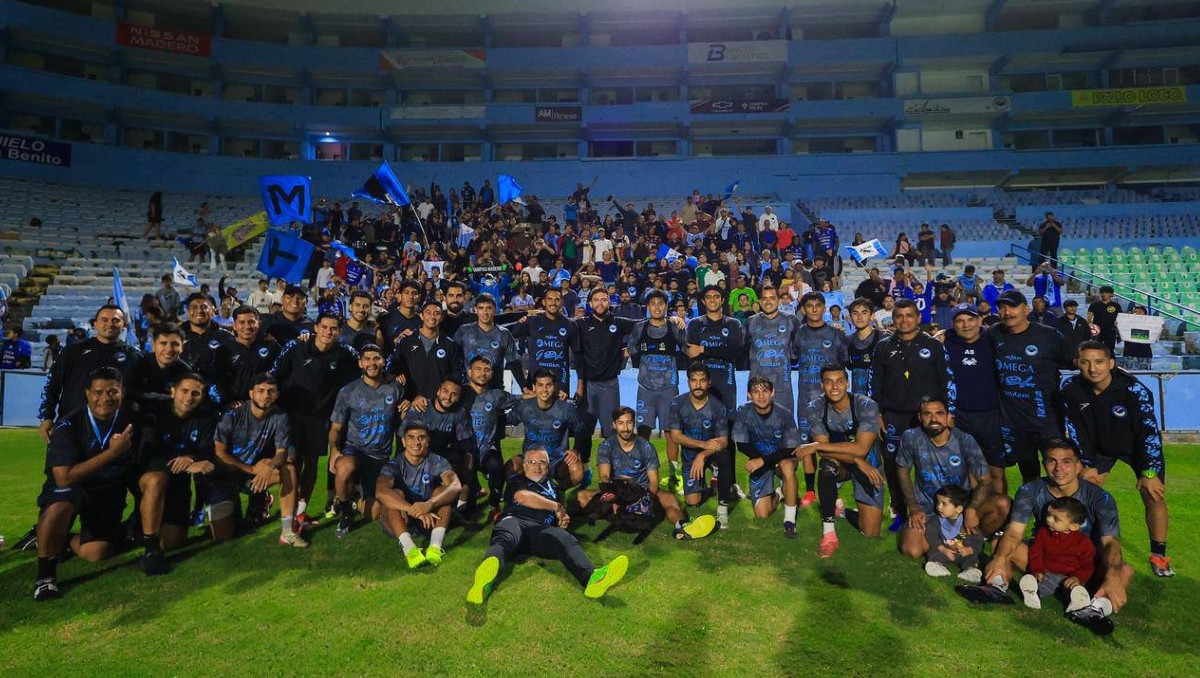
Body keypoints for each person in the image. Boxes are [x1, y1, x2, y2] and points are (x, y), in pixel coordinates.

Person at [962, 440, 1131, 636]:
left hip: (1083, 564)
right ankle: (996, 588)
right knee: (1000, 544)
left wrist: (1112, 575)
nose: (1059, 468)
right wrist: (999, 558)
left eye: (1066, 462)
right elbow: (1015, 532)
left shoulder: (1100, 498)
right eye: (1052, 461)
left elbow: (1111, 542)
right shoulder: (1030, 490)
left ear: (1078, 466)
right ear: (1044, 464)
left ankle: (1095, 609)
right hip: (1043, 558)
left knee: (1123, 570)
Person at [1062, 340, 1173, 577]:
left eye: (1099, 362)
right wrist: (1088, 464)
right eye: (1086, 362)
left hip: (1136, 449)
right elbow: (1075, 428)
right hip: (1099, 449)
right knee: (1084, 493)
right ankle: (1084, 550)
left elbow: (1148, 433)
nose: (1093, 368)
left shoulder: (1134, 390)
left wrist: (1150, 472)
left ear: (1111, 363)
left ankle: (1159, 555)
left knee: (1153, 494)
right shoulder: (1071, 388)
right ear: (1077, 363)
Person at [466, 447, 629, 604]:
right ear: (524, 466)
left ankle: (592, 579)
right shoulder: (517, 481)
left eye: (542, 462)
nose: (537, 467)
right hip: (514, 519)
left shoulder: (555, 490)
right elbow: (522, 497)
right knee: (505, 539)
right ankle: (483, 582)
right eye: (532, 462)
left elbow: (558, 519)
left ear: (548, 465)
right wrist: (556, 507)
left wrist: (562, 521)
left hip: (540, 531)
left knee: (564, 538)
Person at [32, 367, 139, 600]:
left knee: (97, 553)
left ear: (123, 392)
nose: (105, 398)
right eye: (98, 392)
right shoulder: (68, 425)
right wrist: (113, 453)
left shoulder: (131, 420)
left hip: (106, 491)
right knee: (60, 504)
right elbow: (64, 477)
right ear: (87, 394)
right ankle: (45, 576)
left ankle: (63, 540)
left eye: (112, 392)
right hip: (71, 488)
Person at [871, 298, 956, 531]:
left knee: (931, 464)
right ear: (893, 319)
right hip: (894, 416)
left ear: (918, 318)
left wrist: (949, 413)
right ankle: (899, 509)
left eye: (909, 315)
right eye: (899, 316)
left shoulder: (934, 346)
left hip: (928, 417)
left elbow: (947, 381)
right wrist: (877, 414)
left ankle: (936, 511)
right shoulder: (883, 346)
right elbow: (874, 383)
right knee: (894, 464)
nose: (904, 320)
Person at [271, 313, 361, 528]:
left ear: (338, 331)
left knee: (311, 464)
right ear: (316, 328)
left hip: (320, 418)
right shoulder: (295, 347)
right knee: (292, 462)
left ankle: (301, 511)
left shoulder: (344, 353)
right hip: (292, 415)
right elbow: (275, 374)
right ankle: (289, 514)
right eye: (324, 327)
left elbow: (363, 368)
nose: (328, 332)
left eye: (333, 328)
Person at [894, 396, 1009, 561]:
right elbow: (903, 472)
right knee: (912, 550)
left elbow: (985, 480)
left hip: (960, 509)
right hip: (928, 509)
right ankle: (947, 543)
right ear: (920, 418)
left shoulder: (964, 440)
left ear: (948, 417)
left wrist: (971, 509)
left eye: (939, 413)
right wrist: (913, 507)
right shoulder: (911, 437)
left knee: (1002, 504)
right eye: (927, 414)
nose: (934, 419)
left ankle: (973, 540)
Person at [577, 407, 715, 541]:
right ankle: (622, 513)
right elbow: (604, 476)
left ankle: (683, 527)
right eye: (620, 423)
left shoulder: (645, 446)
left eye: (629, 423)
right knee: (582, 496)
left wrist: (644, 499)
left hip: (643, 489)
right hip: (619, 491)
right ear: (614, 425)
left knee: (670, 499)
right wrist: (615, 498)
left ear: (634, 423)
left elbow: (654, 481)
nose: (625, 428)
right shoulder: (606, 446)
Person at [793, 364, 885, 558]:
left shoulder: (866, 404)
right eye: (829, 382)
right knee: (826, 469)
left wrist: (817, 446)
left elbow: (861, 448)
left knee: (871, 531)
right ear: (822, 385)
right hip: (840, 463)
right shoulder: (815, 407)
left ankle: (842, 512)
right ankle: (829, 534)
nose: (834, 387)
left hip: (869, 463)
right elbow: (825, 453)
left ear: (847, 383)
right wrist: (855, 459)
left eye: (840, 381)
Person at [134, 372, 217, 573]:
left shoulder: (206, 418)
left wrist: (192, 459)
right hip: (151, 474)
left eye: (195, 393)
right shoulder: (155, 414)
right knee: (156, 480)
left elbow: (207, 453)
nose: (189, 397)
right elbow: (147, 453)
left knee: (173, 541)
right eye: (184, 391)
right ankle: (151, 552)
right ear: (173, 392)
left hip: (179, 483)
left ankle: (134, 528)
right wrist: (187, 464)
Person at [989, 289, 1073, 484]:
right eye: (1002, 308)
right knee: (1029, 476)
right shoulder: (994, 334)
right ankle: (1036, 513)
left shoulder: (1049, 335)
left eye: (1012, 307)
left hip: (1046, 420)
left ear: (1026, 309)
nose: (1006, 312)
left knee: (1059, 473)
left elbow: (1073, 361)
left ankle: (1063, 513)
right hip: (1015, 423)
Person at [211, 374, 304, 546]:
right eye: (260, 391)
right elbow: (220, 453)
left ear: (277, 395)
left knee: (288, 468)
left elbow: (282, 453)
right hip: (224, 477)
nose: (266, 395)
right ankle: (243, 505)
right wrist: (252, 469)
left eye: (271, 391)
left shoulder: (280, 416)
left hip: (254, 476)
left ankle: (287, 531)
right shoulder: (232, 414)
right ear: (251, 393)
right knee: (223, 537)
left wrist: (269, 466)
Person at [38, 305, 144, 444]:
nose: (110, 324)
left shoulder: (134, 356)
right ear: (95, 324)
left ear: (123, 325)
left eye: (115, 320)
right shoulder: (72, 351)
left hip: (116, 432)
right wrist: (46, 417)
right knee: (64, 466)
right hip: (72, 427)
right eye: (104, 320)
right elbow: (52, 384)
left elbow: (142, 394)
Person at [328, 345, 401, 538]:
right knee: (344, 467)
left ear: (383, 361)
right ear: (360, 363)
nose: (372, 363)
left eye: (376, 358)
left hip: (380, 456)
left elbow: (403, 414)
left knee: (373, 514)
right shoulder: (348, 391)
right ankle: (345, 512)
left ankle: (353, 492)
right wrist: (335, 450)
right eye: (367, 359)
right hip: (355, 449)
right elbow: (336, 428)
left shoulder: (394, 389)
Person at [374, 423, 461, 569]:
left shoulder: (436, 461)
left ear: (428, 441)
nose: (416, 443)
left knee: (442, 492)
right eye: (411, 438)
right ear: (403, 441)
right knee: (394, 495)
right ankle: (410, 550)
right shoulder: (394, 464)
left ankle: (435, 547)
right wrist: (412, 509)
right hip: (402, 519)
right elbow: (380, 491)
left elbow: (455, 485)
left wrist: (429, 504)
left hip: (428, 518)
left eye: (421, 438)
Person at [941, 304, 1007, 495]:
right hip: (961, 416)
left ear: (979, 320)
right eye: (960, 321)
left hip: (992, 416)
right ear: (953, 324)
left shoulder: (993, 341)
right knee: (968, 470)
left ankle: (998, 516)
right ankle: (973, 516)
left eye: (971, 319)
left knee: (996, 470)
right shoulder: (946, 343)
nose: (966, 325)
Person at [793, 291, 849, 507]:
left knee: (831, 443)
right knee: (807, 443)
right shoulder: (798, 334)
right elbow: (794, 355)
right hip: (806, 397)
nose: (814, 309)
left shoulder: (836, 335)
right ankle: (809, 491)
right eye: (810, 305)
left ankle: (832, 486)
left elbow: (843, 362)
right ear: (804, 309)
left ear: (824, 308)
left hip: (831, 400)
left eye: (818, 305)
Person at [625, 290, 686, 487]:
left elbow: (688, 348)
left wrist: (682, 321)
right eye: (653, 303)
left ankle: (673, 473)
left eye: (661, 303)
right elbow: (628, 350)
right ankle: (643, 471)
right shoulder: (639, 328)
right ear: (648, 307)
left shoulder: (674, 326)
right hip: (646, 389)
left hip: (669, 389)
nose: (657, 307)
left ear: (666, 307)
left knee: (671, 433)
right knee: (643, 432)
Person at [731, 376, 802, 537]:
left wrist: (764, 460)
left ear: (772, 393)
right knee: (762, 514)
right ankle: (779, 493)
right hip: (760, 461)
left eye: (765, 391)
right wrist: (762, 461)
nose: (761, 396)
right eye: (756, 392)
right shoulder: (743, 412)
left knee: (787, 466)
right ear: (749, 394)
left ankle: (789, 522)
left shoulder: (784, 414)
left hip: (781, 459)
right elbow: (741, 444)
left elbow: (791, 447)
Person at [667, 363, 734, 529]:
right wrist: (701, 445)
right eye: (694, 380)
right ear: (688, 382)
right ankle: (708, 485)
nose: (698, 385)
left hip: (712, 454)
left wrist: (703, 454)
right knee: (692, 502)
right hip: (690, 455)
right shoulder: (677, 403)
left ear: (708, 383)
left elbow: (723, 440)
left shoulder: (718, 406)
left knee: (725, 455)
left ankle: (723, 508)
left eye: (702, 380)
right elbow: (675, 436)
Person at [461, 356, 524, 522]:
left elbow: (521, 400)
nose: (482, 373)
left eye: (487, 370)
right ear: (469, 372)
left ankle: (494, 505)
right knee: (464, 474)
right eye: (478, 369)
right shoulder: (461, 394)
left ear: (492, 374)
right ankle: (469, 501)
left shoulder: (497, 395)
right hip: (465, 449)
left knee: (496, 466)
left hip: (489, 447)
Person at [402, 379, 478, 512]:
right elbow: (404, 437)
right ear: (438, 391)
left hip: (441, 455)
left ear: (459, 397)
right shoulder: (420, 406)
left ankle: (464, 499)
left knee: (468, 458)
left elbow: (464, 442)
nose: (448, 397)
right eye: (445, 391)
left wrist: (456, 467)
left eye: (454, 394)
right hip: (418, 455)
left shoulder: (459, 413)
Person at [508, 369, 587, 489]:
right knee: (510, 467)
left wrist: (576, 450)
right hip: (530, 458)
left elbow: (581, 430)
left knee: (577, 471)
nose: (544, 390)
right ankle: (520, 495)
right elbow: (506, 420)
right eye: (540, 385)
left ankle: (556, 492)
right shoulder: (524, 407)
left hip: (557, 460)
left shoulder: (566, 408)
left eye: (548, 385)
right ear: (534, 387)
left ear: (555, 387)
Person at [1017, 496, 1096, 612]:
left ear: (1074, 526)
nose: (1049, 520)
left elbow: (1088, 564)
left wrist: (1077, 577)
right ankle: (1033, 594)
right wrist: (1037, 569)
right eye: (1049, 515)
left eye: (1056, 519)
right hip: (1049, 573)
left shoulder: (1083, 543)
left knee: (1072, 589)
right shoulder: (1044, 533)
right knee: (1043, 585)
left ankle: (1077, 602)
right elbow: (1036, 552)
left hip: (1071, 576)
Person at [744, 285, 804, 427]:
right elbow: (739, 347)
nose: (768, 302)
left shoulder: (791, 321)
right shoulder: (751, 322)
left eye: (772, 298)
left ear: (778, 300)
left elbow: (799, 349)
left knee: (785, 428)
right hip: (757, 386)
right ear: (759, 301)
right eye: (764, 298)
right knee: (756, 429)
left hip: (782, 386)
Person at [388, 299, 464, 407]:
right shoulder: (406, 341)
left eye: (437, 313)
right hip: (410, 403)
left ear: (442, 317)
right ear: (421, 316)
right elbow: (392, 366)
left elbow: (457, 375)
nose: (432, 317)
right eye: (428, 313)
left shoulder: (450, 345)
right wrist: (397, 373)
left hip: (437, 405)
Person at [213, 306, 278, 407]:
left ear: (259, 324)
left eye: (251, 322)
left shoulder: (271, 347)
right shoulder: (224, 351)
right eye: (242, 322)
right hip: (236, 408)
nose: (247, 326)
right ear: (234, 325)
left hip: (265, 406)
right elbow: (219, 381)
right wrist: (229, 401)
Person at [922, 485, 984, 583]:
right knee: (934, 553)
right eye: (938, 502)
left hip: (964, 553)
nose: (939, 506)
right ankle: (936, 565)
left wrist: (969, 550)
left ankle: (971, 570)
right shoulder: (936, 521)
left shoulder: (967, 523)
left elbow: (979, 541)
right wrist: (943, 549)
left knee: (972, 558)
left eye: (944, 504)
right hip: (945, 552)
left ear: (958, 509)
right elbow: (931, 535)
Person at [845, 298, 880, 397]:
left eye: (864, 313)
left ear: (872, 316)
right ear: (850, 317)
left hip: (879, 401)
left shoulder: (883, 339)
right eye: (855, 313)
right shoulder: (848, 341)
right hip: (858, 401)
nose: (859, 317)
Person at [1086, 286, 1121, 355]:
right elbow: (1089, 317)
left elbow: (1120, 318)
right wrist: (1089, 326)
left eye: (1106, 293)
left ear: (1111, 294)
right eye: (1102, 292)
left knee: (1110, 350)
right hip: (1097, 331)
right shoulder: (1094, 305)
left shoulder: (1116, 306)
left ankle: (1111, 364)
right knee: (1096, 349)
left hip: (1110, 330)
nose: (1104, 294)